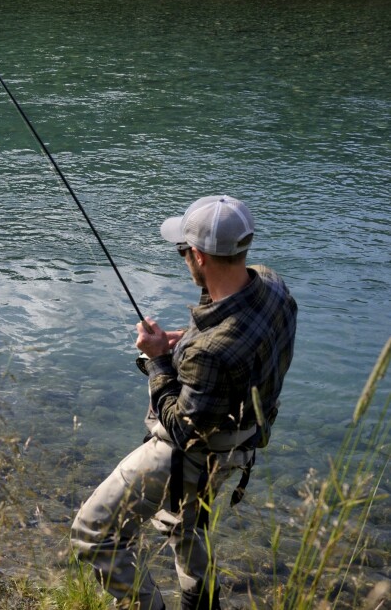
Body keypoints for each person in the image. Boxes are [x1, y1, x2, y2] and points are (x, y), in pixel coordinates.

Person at [71, 196, 297, 610]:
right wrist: (186, 338)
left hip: (187, 453)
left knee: (93, 534)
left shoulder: (210, 352)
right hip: (238, 448)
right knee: (186, 528)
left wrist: (159, 360)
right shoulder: (273, 286)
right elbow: (233, 340)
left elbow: (182, 429)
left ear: (197, 255)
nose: (183, 258)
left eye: (183, 251)